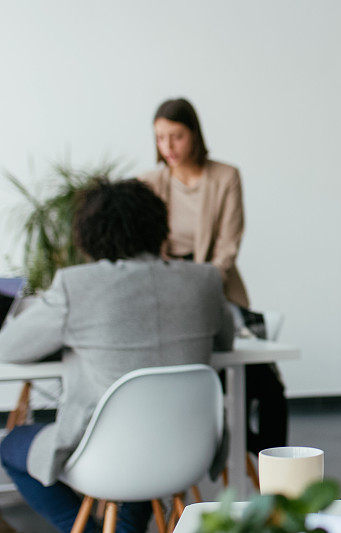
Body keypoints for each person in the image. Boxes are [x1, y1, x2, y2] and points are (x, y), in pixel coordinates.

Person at [0, 178, 234, 533]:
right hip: (187, 451)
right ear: (158, 225)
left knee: (12, 444)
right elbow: (226, 341)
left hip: (106, 459)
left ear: (89, 233)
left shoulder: (76, 285)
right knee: (142, 433)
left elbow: (10, 346)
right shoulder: (204, 280)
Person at [138, 97, 287, 457]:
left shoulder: (224, 177)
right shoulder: (148, 183)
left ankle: (272, 471)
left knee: (267, 386)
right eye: (160, 138)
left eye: (176, 136)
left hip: (217, 288)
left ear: (194, 135)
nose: (168, 147)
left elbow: (228, 245)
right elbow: (144, 247)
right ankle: (213, 443)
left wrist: (198, 287)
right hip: (165, 291)